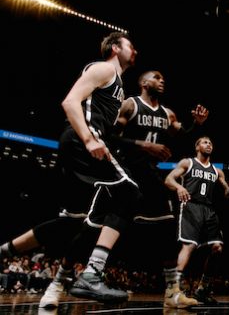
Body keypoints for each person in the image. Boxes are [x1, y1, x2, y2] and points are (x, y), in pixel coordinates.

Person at [0, 32, 138, 307]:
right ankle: (92, 273)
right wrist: (88, 138)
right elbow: (70, 101)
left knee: (71, 220)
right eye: (130, 46)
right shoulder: (104, 68)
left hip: (81, 143)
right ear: (114, 47)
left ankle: (4, 251)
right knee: (128, 193)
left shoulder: (118, 85)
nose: (135, 51)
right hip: (81, 140)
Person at [113, 70, 209, 309]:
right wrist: (143, 145)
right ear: (144, 83)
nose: (162, 80)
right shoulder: (130, 105)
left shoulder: (168, 113)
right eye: (156, 77)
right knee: (104, 224)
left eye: (163, 78)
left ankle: (173, 291)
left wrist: (195, 126)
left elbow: (183, 135)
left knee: (168, 228)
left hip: (149, 173)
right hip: (124, 170)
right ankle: (70, 278)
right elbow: (110, 137)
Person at [164, 136, 229, 307]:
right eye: (205, 142)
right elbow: (169, 179)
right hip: (191, 206)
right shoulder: (187, 162)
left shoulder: (217, 171)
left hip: (209, 210)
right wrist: (180, 187)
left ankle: (203, 288)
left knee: (217, 248)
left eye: (211, 143)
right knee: (188, 245)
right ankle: (174, 288)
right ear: (197, 146)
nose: (209, 145)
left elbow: (227, 193)